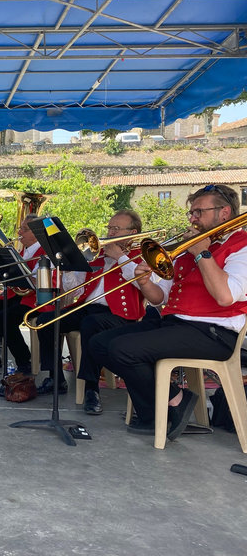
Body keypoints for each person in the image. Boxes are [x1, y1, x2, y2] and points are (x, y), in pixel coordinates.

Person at [90, 185, 247, 439]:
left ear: (224, 212)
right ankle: (169, 405)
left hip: (213, 332)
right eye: (192, 213)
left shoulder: (241, 245)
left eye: (199, 212)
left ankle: (168, 407)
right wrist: (144, 282)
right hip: (174, 323)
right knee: (99, 344)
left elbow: (225, 296)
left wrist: (202, 253)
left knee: (124, 349)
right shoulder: (188, 248)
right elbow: (159, 297)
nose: (192, 218)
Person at [35, 210, 150, 401]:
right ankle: (56, 378)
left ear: (132, 232)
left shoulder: (142, 255)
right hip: (87, 308)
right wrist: (68, 264)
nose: (110, 232)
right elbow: (75, 289)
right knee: (46, 320)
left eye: (116, 228)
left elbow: (141, 284)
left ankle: (91, 388)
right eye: (109, 227)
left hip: (121, 315)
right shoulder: (97, 256)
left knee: (91, 324)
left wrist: (120, 257)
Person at [0, 213, 44, 373]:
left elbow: (35, 282)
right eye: (20, 228)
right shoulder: (24, 251)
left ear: (37, 233)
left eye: (24, 230)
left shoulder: (44, 252)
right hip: (16, 296)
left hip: (35, 300)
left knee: (3, 318)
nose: (19, 233)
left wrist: (15, 274)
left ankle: (24, 360)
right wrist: (5, 273)